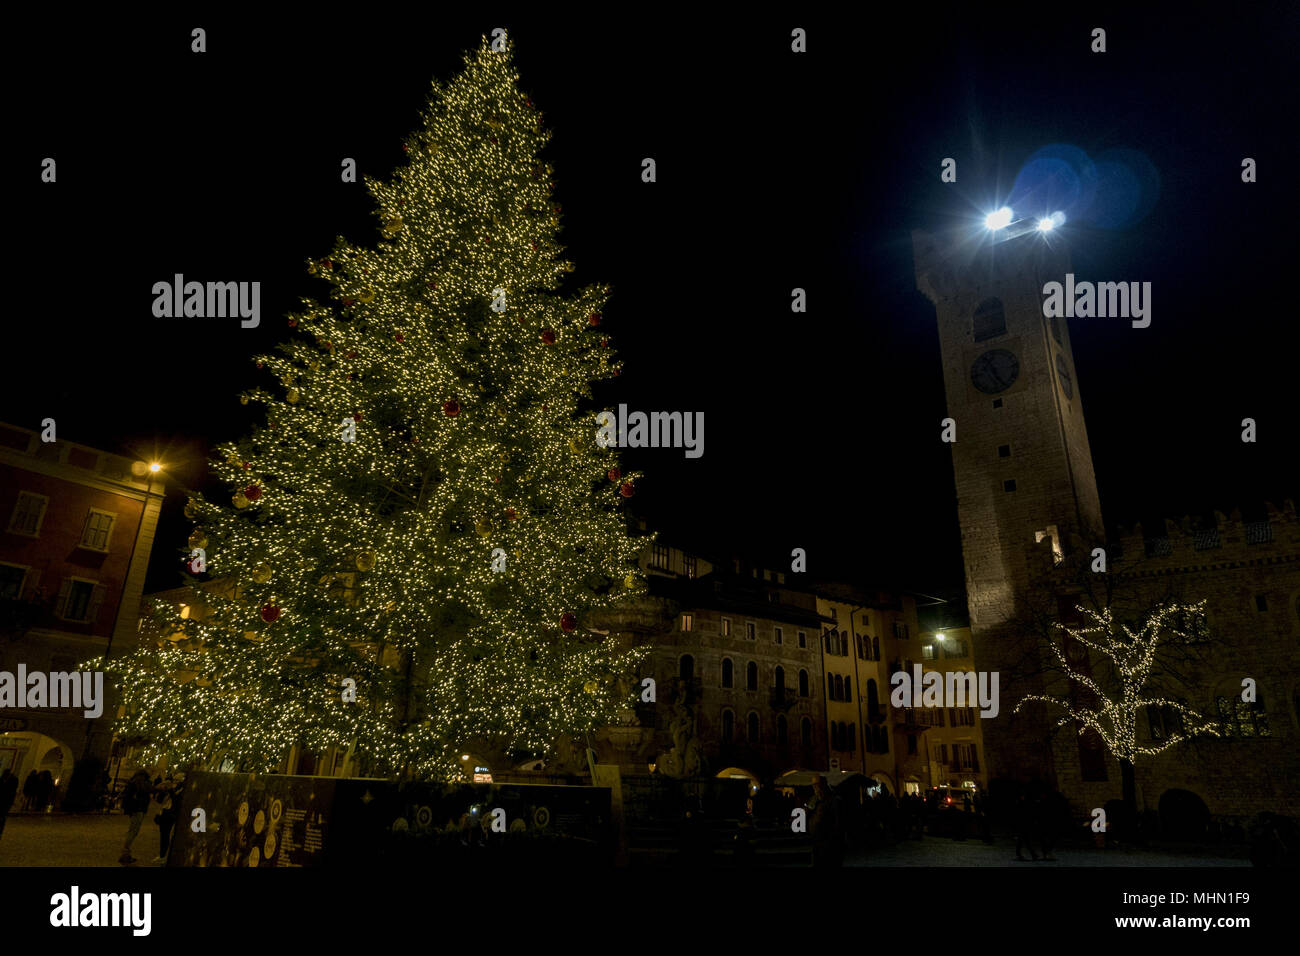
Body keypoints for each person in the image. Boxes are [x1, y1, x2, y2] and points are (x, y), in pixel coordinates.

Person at [808, 774, 844, 867]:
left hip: (829, 846)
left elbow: (838, 824)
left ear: (824, 785)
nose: (815, 788)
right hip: (817, 844)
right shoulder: (815, 800)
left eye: (817, 785)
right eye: (814, 785)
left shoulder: (834, 801)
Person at [119, 770, 153, 864]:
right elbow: (146, 794)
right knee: (133, 831)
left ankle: (126, 853)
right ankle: (125, 853)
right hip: (138, 809)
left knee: (133, 830)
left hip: (135, 809)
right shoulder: (139, 785)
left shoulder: (133, 783)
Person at [153, 772, 184, 863]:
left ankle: (164, 855)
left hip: (170, 815)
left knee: (166, 835)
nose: (174, 782)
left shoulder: (181, 790)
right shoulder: (173, 789)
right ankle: (162, 854)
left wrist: (170, 790)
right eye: (174, 780)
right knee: (163, 835)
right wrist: (163, 790)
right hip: (164, 812)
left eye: (177, 780)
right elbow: (160, 800)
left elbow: (176, 802)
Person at [0, 769, 18, 842]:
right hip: (6, 802)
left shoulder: (5, 781)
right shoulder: (11, 782)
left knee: (2, 816)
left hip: (5, 801)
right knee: (2, 816)